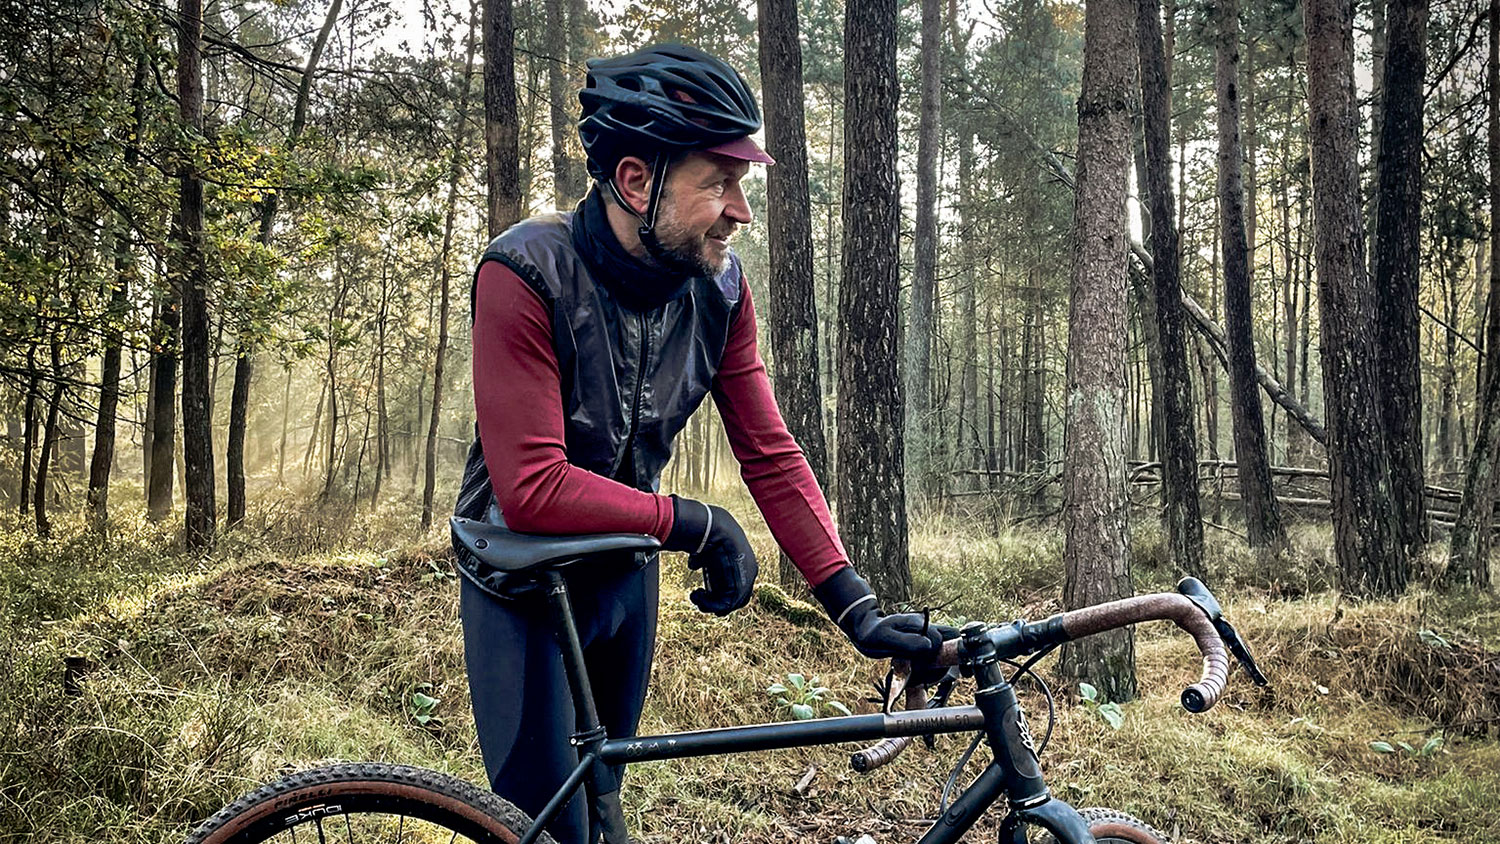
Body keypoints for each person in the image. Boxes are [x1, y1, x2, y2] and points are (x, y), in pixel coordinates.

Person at [452, 42, 947, 844]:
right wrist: (697, 523)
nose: (740, 209)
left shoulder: (719, 287)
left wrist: (852, 606)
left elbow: (769, 451)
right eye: (718, 182)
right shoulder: (526, 270)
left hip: (623, 577)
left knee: (605, 810)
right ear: (637, 179)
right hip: (523, 582)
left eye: (741, 184)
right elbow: (532, 487)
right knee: (548, 833)